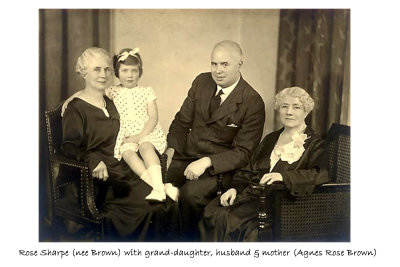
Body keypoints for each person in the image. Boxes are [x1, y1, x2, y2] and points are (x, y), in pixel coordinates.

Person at [62, 47, 179, 241]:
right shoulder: (76, 108)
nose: (103, 75)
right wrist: (93, 160)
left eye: (107, 69)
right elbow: (69, 146)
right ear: (84, 72)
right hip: (101, 180)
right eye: (97, 69)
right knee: (148, 209)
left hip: (123, 169)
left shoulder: (112, 99)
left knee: (166, 204)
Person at [199, 86, 329, 241]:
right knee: (212, 212)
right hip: (254, 197)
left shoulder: (315, 143)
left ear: (306, 111)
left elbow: (320, 174)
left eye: (296, 107)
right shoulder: (270, 139)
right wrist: (235, 188)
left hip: (284, 204)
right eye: (284, 106)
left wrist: (283, 176)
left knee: (236, 222)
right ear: (278, 109)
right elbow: (248, 170)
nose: (289, 112)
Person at [165, 40, 265, 240]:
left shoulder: (252, 101)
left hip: (219, 170)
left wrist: (207, 162)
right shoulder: (201, 82)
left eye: (225, 64)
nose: (218, 70)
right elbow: (181, 123)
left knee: (189, 196)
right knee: (152, 182)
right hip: (185, 156)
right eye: (214, 64)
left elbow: (243, 152)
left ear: (239, 64)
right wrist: (170, 151)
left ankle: (186, 248)